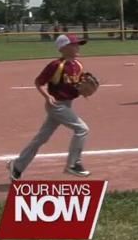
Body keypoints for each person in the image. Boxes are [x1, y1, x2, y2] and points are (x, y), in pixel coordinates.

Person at [7, 34, 92, 181]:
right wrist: (47, 96)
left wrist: (82, 90)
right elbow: (39, 82)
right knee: (82, 129)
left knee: (41, 139)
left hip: (67, 104)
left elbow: (75, 85)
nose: (77, 47)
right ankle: (73, 164)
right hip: (57, 106)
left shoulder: (78, 65)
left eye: (78, 44)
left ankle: (17, 165)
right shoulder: (55, 65)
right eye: (74, 44)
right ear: (63, 48)